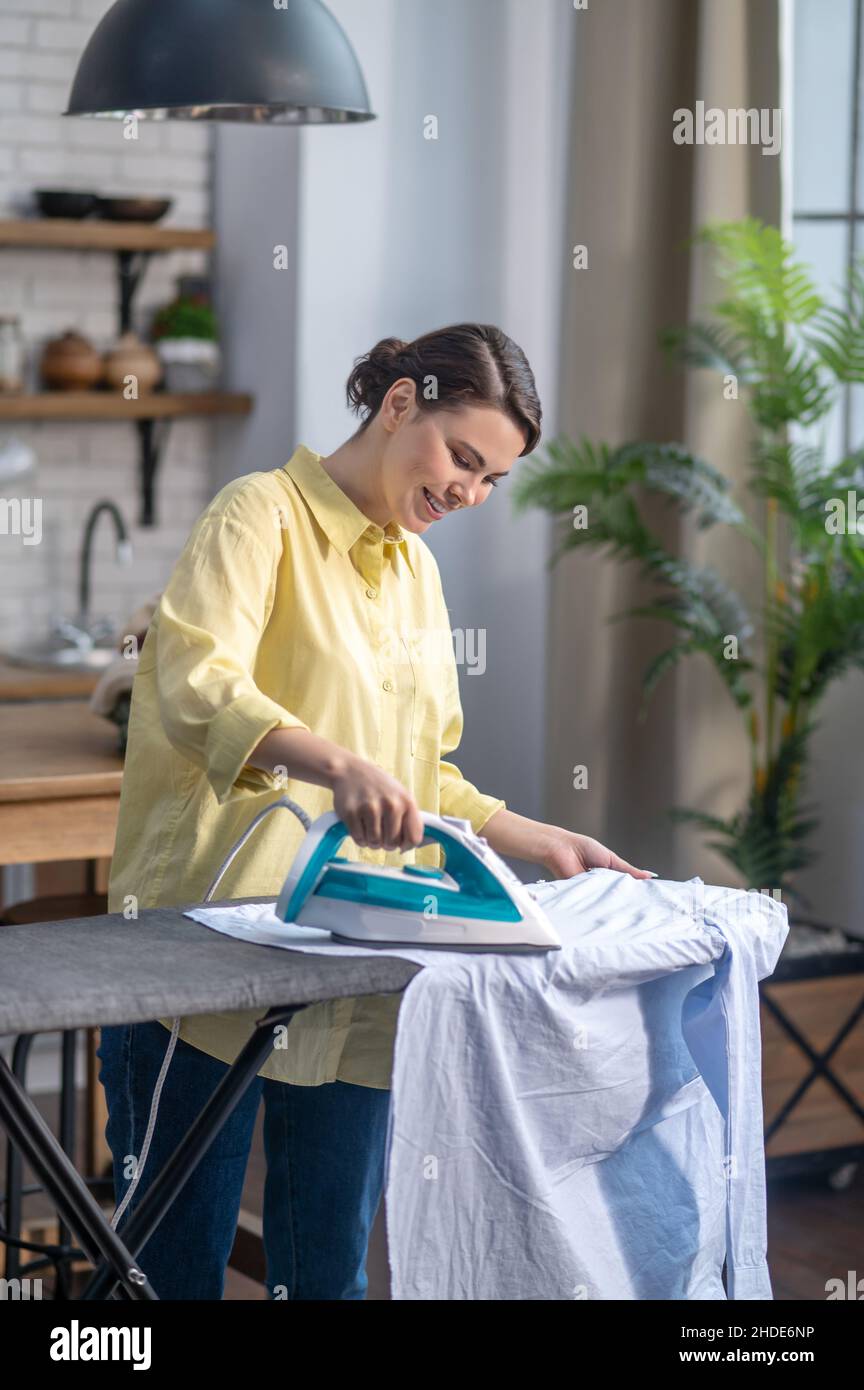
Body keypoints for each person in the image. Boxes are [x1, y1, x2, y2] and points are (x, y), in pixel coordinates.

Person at [97, 322, 653, 1300]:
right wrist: (330, 762)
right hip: (201, 973)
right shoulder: (256, 518)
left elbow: (421, 774)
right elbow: (192, 684)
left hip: (354, 973)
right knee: (168, 1276)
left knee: (330, 1276)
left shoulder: (416, 574)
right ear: (401, 405)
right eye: (462, 459)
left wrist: (538, 839)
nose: (469, 493)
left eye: (492, 480)